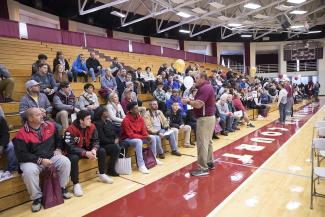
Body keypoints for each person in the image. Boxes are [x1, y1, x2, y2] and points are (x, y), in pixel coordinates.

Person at [13, 108, 71, 212]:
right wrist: (40, 160)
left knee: (65, 161)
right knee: (29, 171)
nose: (42, 116)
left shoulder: (50, 125)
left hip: (50, 156)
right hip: (32, 161)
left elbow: (59, 139)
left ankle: (61, 188)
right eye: (38, 114)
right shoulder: (21, 134)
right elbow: (22, 155)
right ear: (30, 118)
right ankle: (37, 198)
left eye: (41, 114)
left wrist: (58, 148)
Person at [64, 110, 113, 197]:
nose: (90, 120)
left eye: (90, 118)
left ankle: (102, 174)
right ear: (81, 121)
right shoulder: (70, 129)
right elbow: (70, 147)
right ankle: (76, 184)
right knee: (73, 158)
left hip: (88, 149)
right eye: (88, 119)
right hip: (76, 151)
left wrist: (94, 149)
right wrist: (85, 153)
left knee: (101, 151)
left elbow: (96, 140)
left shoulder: (92, 126)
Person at [182, 72, 216, 177]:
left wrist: (188, 102)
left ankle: (203, 168)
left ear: (202, 78)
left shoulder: (205, 88)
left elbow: (199, 104)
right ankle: (209, 162)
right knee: (208, 142)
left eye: (196, 78)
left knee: (202, 143)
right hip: (210, 118)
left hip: (204, 119)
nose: (195, 80)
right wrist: (191, 100)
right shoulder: (207, 87)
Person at [121, 102, 158, 174]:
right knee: (138, 141)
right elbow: (130, 135)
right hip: (127, 139)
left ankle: (154, 158)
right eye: (135, 108)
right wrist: (144, 137)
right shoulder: (126, 120)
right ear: (131, 110)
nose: (138, 109)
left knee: (153, 137)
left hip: (138, 137)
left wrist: (147, 136)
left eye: (137, 107)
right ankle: (141, 165)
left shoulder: (140, 117)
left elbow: (143, 130)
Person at [93, 106, 120, 177]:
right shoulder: (97, 124)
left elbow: (114, 132)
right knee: (115, 147)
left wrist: (116, 138)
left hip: (109, 143)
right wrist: (113, 141)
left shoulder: (108, 121)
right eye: (106, 111)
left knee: (118, 146)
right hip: (101, 145)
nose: (108, 112)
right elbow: (101, 138)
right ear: (101, 113)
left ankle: (111, 168)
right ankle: (110, 169)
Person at [0, 115, 18, 181]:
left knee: (11, 146)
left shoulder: (0, 118)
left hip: (1, 143)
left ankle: (12, 170)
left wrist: (1, 147)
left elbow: (5, 134)